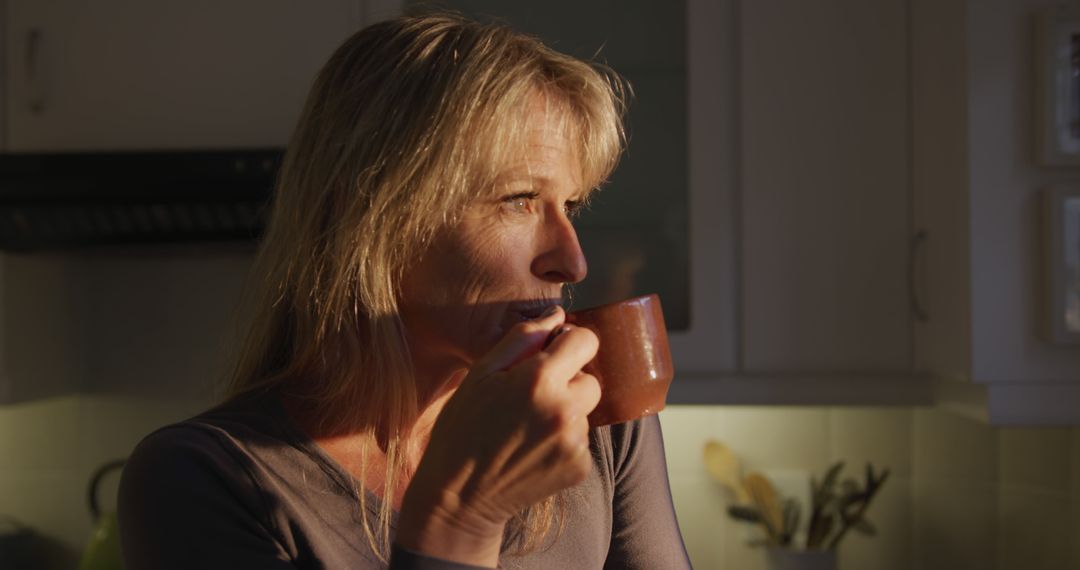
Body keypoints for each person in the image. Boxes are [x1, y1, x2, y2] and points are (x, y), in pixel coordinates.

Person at [117, 12, 691, 569]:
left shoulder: (592, 417)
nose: (573, 261)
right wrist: (463, 519)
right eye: (517, 199)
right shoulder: (202, 478)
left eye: (569, 206)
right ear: (374, 217)